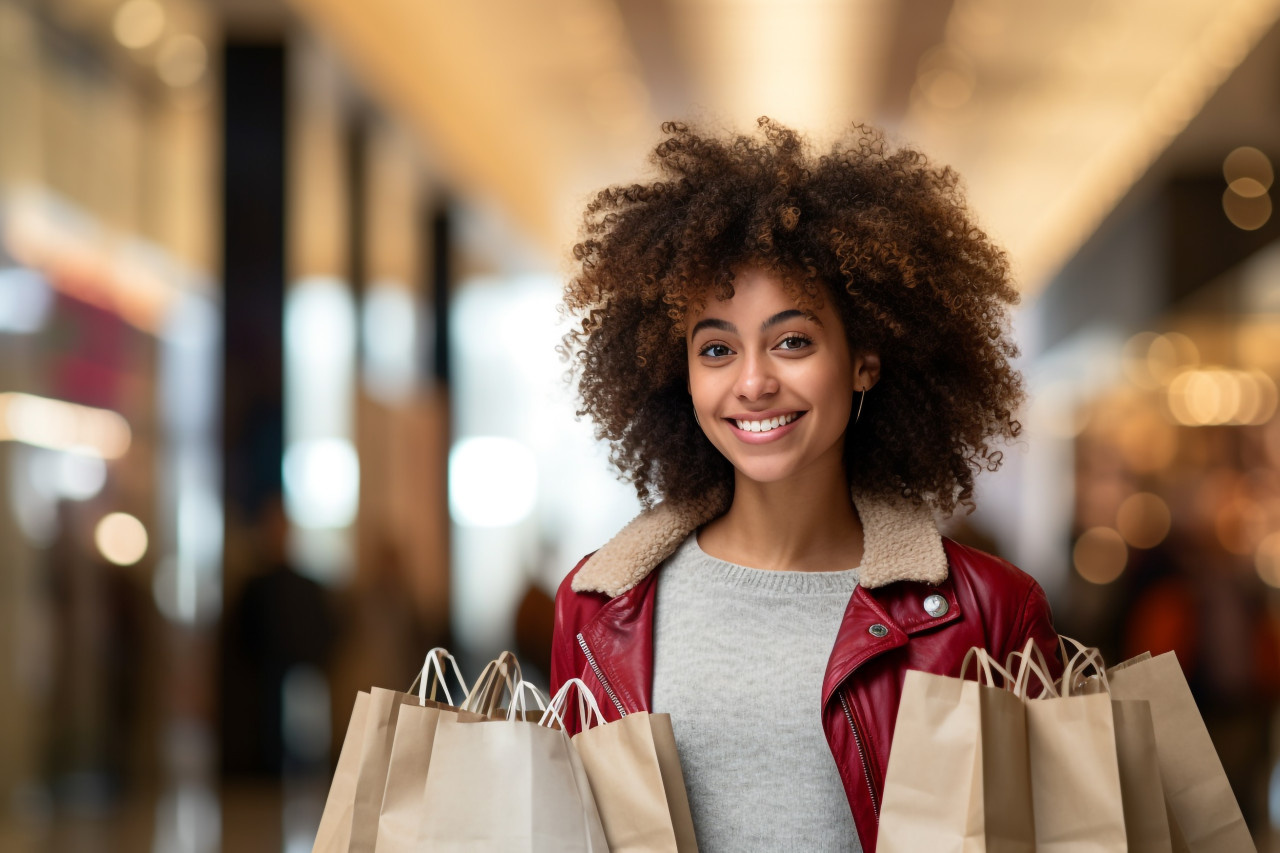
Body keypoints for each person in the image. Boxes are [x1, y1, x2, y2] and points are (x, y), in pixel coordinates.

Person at [550, 118, 1060, 852]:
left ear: (865, 362)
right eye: (717, 347)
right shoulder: (599, 609)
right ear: (682, 374)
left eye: (793, 341)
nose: (754, 382)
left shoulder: (988, 613)